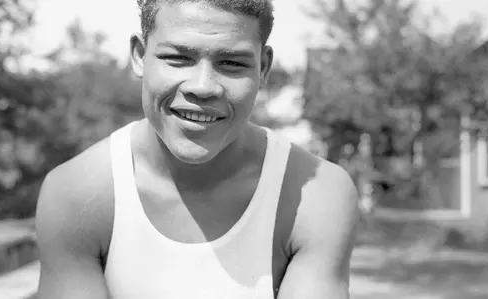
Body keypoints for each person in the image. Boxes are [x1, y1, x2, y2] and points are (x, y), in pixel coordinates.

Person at [35, 0, 360, 298]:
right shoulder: (79, 195)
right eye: (178, 58)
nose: (202, 86)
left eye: (231, 63)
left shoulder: (315, 197)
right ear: (139, 55)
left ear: (263, 69)